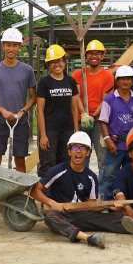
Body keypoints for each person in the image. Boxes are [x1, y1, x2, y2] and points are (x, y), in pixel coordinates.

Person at [29, 132, 128, 249]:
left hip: (80, 215)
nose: (79, 151)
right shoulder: (58, 171)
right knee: (50, 218)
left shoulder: (91, 177)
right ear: (69, 151)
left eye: (83, 148)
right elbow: (34, 191)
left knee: (115, 218)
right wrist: (51, 203)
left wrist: (109, 207)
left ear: (88, 153)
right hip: (61, 214)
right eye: (75, 147)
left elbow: (91, 206)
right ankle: (88, 238)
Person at [0, 27, 37, 174]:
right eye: (8, 45)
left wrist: (21, 112)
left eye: (14, 45)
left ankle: (20, 194)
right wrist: (3, 111)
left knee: (20, 159)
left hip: (20, 122)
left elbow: (34, 97)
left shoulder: (27, 70)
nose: (11, 48)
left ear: (20, 47)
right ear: (3, 46)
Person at [98, 65, 133, 200]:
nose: (125, 82)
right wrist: (108, 140)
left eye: (128, 79)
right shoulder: (109, 100)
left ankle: (127, 202)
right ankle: (106, 202)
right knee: (110, 175)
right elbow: (103, 121)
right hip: (115, 145)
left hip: (132, 146)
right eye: (122, 79)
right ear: (117, 81)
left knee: (130, 175)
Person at [36, 44, 79, 177]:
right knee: (47, 165)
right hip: (50, 131)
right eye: (53, 62)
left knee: (65, 163)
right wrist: (43, 135)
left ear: (64, 62)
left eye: (60, 61)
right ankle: (45, 196)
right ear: (49, 64)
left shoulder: (71, 82)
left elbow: (74, 108)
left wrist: (76, 131)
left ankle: (61, 196)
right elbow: (40, 111)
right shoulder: (44, 83)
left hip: (67, 130)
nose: (57, 64)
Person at [73, 39, 115, 170]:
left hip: (98, 122)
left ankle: (102, 189)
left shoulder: (107, 76)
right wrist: (84, 114)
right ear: (86, 55)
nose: (94, 56)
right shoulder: (78, 74)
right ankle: (82, 186)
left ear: (103, 55)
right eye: (91, 53)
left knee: (102, 157)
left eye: (97, 53)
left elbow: (105, 101)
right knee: (80, 157)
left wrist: (92, 116)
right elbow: (76, 97)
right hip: (81, 121)